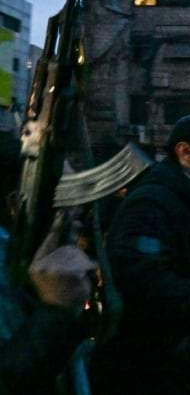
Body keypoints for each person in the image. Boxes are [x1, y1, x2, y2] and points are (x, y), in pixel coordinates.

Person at [89, 113, 190, 395]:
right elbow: (138, 280)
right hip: (150, 368)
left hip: (181, 360)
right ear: (186, 152)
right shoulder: (153, 201)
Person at [0, 133, 98, 394]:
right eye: (64, 198)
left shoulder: (27, 261)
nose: (76, 212)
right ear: (16, 204)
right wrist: (55, 312)